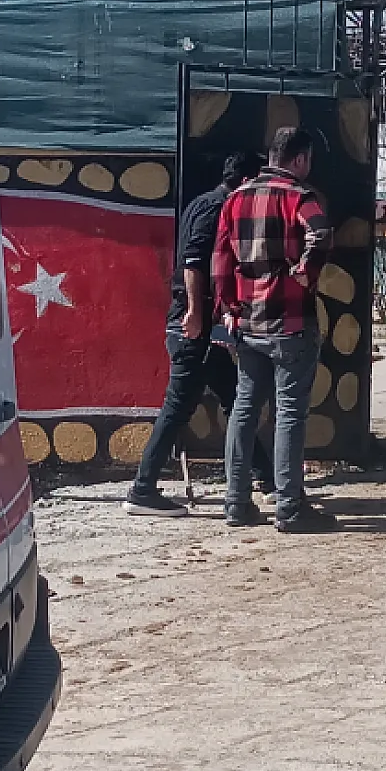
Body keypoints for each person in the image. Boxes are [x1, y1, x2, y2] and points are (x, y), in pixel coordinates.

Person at [124, 151, 273, 517]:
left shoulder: (206, 203)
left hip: (205, 328)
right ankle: (142, 489)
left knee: (234, 397)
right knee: (178, 407)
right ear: (244, 181)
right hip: (195, 326)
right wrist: (195, 312)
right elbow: (193, 262)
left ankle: (267, 476)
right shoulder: (215, 208)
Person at [213, 126, 338, 534]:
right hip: (292, 321)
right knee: (289, 414)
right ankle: (289, 507)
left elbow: (220, 259)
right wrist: (305, 274)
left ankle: (236, 503)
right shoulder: (299, 196)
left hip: (248, 323)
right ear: (299, 159)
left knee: (245, 408)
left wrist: (230, 306)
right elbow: (320, 233)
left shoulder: (234, 199)